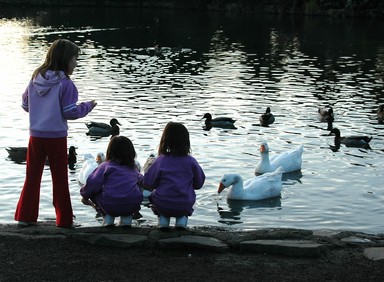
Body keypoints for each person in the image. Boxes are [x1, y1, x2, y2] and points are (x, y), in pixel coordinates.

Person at [14, 39, 97, 228]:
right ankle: (64, 220)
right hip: (56, 137)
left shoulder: (35, 77)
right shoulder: (65, 83)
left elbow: (26, 105)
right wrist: (87, 106)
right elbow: (70, 112)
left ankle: (25, 217)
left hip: (35, 135)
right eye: (75, 59)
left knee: (32, 176)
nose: (76, 63)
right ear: (66, 59)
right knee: (59, 178)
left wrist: (40, 110)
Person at [143, 122, 205, 230]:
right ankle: (181, 221)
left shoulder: (161, 160)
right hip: (184, 204)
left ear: (165, 140)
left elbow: (148, 183)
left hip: (163, 204)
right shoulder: (191, 161)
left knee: (153, 195)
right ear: (187, 141)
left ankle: (163, 221)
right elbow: (199, 184)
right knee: (187, 198)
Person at [80, 136, 144, 227]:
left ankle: (107, 218)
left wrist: (85, 196)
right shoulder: (133, 168)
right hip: (131, 205)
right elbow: (143, 182)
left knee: (94, 190)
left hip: (109, 205)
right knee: (137, 187)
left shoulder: (105, 166)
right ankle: (126, 220)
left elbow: (92, 183)